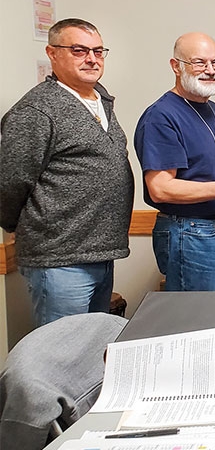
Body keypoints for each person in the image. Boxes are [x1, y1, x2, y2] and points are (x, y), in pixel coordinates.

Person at [0, 18, 133, 326]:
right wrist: (11, 224)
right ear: (52, 53)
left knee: (89, 352)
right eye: (78, 50)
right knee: (60, 356)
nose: (92, 59)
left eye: (98, 51)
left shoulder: (101, 101)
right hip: (59, 260)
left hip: (100, 253)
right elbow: (11, 182)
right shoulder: (36, 111)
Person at [134, 33, 215, 291]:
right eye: (199, 63)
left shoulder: (213, 110)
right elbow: (161, 188)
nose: (210, 70)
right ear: (176, 66)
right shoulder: (162, 116)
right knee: (194, 323)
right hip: (191, 232)